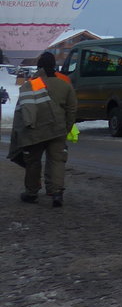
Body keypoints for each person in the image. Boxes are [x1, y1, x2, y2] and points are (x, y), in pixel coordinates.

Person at [8, 51, 77, 207]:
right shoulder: (65, 84)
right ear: (54, 66)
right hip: (58, 129)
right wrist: (66, 128)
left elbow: (22, 111)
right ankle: (57, 193)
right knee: (57, 161)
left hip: (35, 131)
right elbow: (72, 109)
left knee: (33, 162)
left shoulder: (30, 85)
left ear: (39, 67)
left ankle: (32, 193)